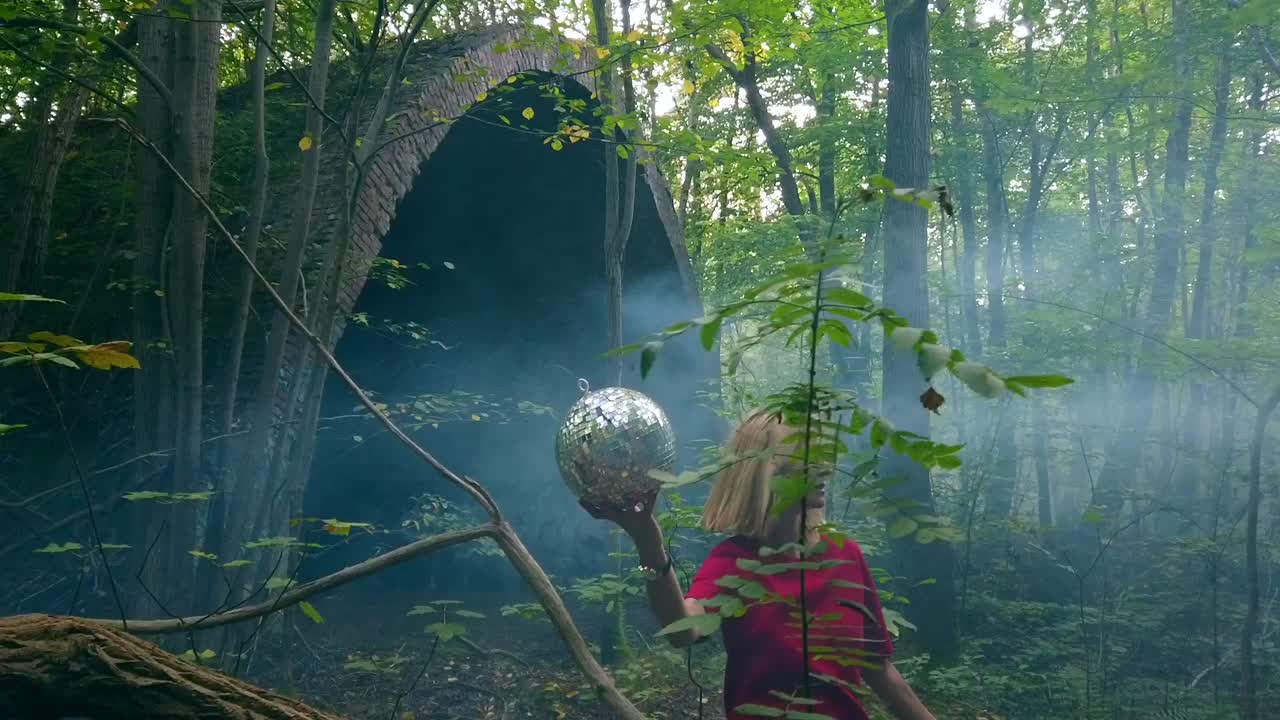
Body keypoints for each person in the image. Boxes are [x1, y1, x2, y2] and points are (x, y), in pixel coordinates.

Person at [581, 409, 938, 720]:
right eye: (805, 461)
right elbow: (682, 631)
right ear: (769, 474)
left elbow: (878, 669)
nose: (823, 470)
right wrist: (648, 540)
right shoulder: (734, 562)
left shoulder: (845, 555)